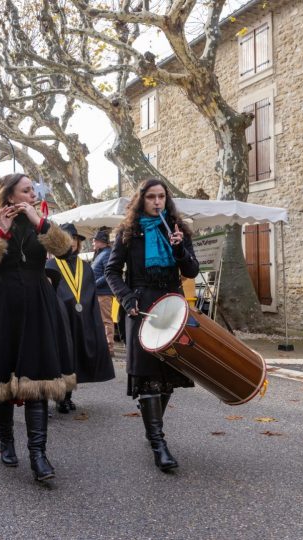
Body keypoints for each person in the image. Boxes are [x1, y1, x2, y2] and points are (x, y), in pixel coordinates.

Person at [0, 173, 74, 482]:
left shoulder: (41, 221)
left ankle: (38, 455)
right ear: (10, 196)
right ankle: (6, 438)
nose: (32, 193)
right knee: (1, 378)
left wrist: (39, 221)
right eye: (26, 190)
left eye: (33, 189)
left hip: (37, 303)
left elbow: (66, 251)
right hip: (1, 304)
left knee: (38, 377)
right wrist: (3, 231)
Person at [105, 178, 199, 473]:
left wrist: (181, 249)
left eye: (161, 197)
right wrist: (127, 297)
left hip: (173, 301)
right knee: (148, 373)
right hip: (142, 304)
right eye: (151, 197)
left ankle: (153, 427)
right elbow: (111, 271)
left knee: (169, 371)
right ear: (141, 199)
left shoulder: (177, 229)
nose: (157, 202)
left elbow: (192, 270)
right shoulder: (127, 232)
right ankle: (159, 443)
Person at [45, 223, 115, 414]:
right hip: (61, 319)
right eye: (67, 238)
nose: (72, 242)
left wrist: (93, 320)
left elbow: (90, 293)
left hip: (82, 318)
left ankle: (68, 396)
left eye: (74, 239)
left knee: (76, 358)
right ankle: (59, 397)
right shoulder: (50, 266)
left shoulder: (85, 267)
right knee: (62, 357)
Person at [90, 229, 115, 356]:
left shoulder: (107, 254)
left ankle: (109, 347)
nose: (93, 241)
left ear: (101, 241)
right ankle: (102, 345)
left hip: (104, 293)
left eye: (95, 239)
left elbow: (108, 274)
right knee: (100, 320)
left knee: (105, 320)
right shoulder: (100, 253)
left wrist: (93, 284)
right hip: (98, 292)